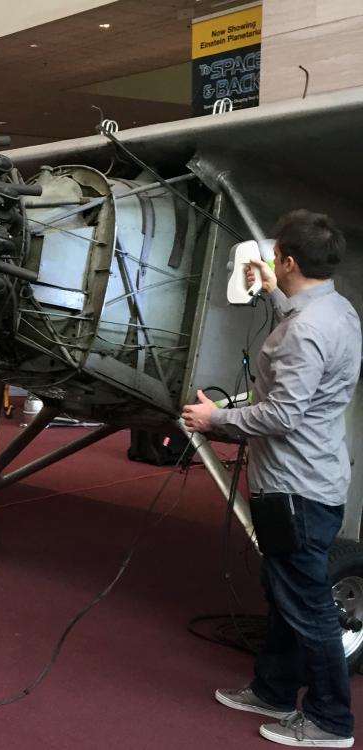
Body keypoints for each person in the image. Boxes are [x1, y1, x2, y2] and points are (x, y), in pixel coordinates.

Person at [182, 210, 361, 748]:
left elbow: (282, 415)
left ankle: (331, 721)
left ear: (288, 260)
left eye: (275, 257)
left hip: (295, 489)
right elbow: (302, 331)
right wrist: (270, 291)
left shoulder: (305, 331)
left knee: (306, 605)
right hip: (312, 481)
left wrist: (216, 420)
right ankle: (274, 690)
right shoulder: (336, 309)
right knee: (284, 592)